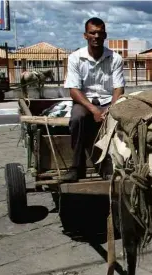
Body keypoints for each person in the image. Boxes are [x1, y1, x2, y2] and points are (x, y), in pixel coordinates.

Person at [62, 17, 125, 181]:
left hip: (107, 103)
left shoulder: (115, 58)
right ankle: (76, 168)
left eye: (100, 33)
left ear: (105, 35)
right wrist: (94, 110)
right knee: (77, 118)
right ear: (85, 36)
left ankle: (115, 165)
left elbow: (119, 88)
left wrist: (111, 110)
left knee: (123, 121)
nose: (96, 36)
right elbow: (74, 91)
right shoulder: (75, 58)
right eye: (92, 33)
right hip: (85, 102)